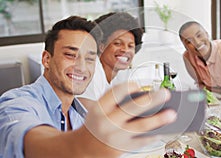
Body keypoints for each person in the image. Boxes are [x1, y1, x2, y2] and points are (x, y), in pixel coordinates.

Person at [0, 16, 177, 158]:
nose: (81, 67)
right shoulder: (18, 102)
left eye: (90, 58)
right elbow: (26, 139)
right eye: (70, 55)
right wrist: (81, 145)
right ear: (46, 59)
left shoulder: (78, 114)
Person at [78, 12, 143, 101]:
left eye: (130, 46)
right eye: (118, 43)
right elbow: (90, 112)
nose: (125, 50)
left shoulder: (117, 75)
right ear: (101, 46)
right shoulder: (92, 72)